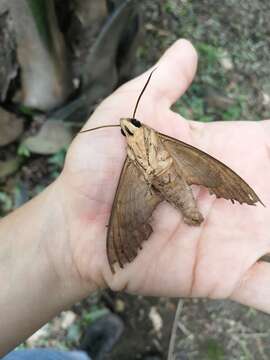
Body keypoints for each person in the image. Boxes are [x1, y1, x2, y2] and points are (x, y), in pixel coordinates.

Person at [1, 39, 270, 358]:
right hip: (175, 171)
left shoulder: (133, 162)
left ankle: (78, 356)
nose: (129, 128)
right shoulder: (151, 147)